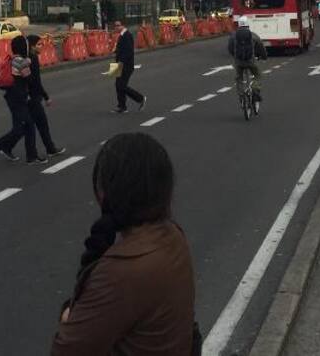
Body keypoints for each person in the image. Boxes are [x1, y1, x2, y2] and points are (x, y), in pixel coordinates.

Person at [51, 132, 197, 355]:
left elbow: (67, 350)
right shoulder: (173, 235)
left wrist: (68, 315)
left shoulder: (123, 268)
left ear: (104, 194)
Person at [0, 35, 39, 169]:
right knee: (28, 126)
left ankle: (8, 148)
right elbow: (30, 79)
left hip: (12, 96)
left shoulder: (13, 59)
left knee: (20, 128)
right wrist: (33, 63)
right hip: (18, 98)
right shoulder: (21, 61)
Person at [24, 34, 65, 160]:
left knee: (26, 127)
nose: (41, 46)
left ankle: (4, 147)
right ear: (31, 46)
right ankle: (49, 149)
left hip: (28, 97)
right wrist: (46, 97)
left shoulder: (27, 58)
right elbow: (35, 81)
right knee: (41, 125)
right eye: (39, 44)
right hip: (33, 97)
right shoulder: (32, 59)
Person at [227, 19, 266, 103]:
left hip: (239, 62)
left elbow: (230, 48)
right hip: (251, 61)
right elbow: (260, 47)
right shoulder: (253, 35)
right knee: (258, 74)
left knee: (239, 78)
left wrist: (235, 56)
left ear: (239, 25)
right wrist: (264, 56)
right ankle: (255, 89)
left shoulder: (234, 35)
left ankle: (241, 95)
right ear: (248, 25)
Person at [111, 21, 146, 114]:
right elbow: (122, 49)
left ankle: (140, 98)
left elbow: (129, 51)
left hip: (125, 65)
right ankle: (122, 107)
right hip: (118, 64)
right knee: (117, 85)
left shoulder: (127, 35)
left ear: (123, 25)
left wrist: (121, 61)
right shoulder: (121, 35)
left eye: (118, 25)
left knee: (121, 85)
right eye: (115, 26)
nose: (116, 27)